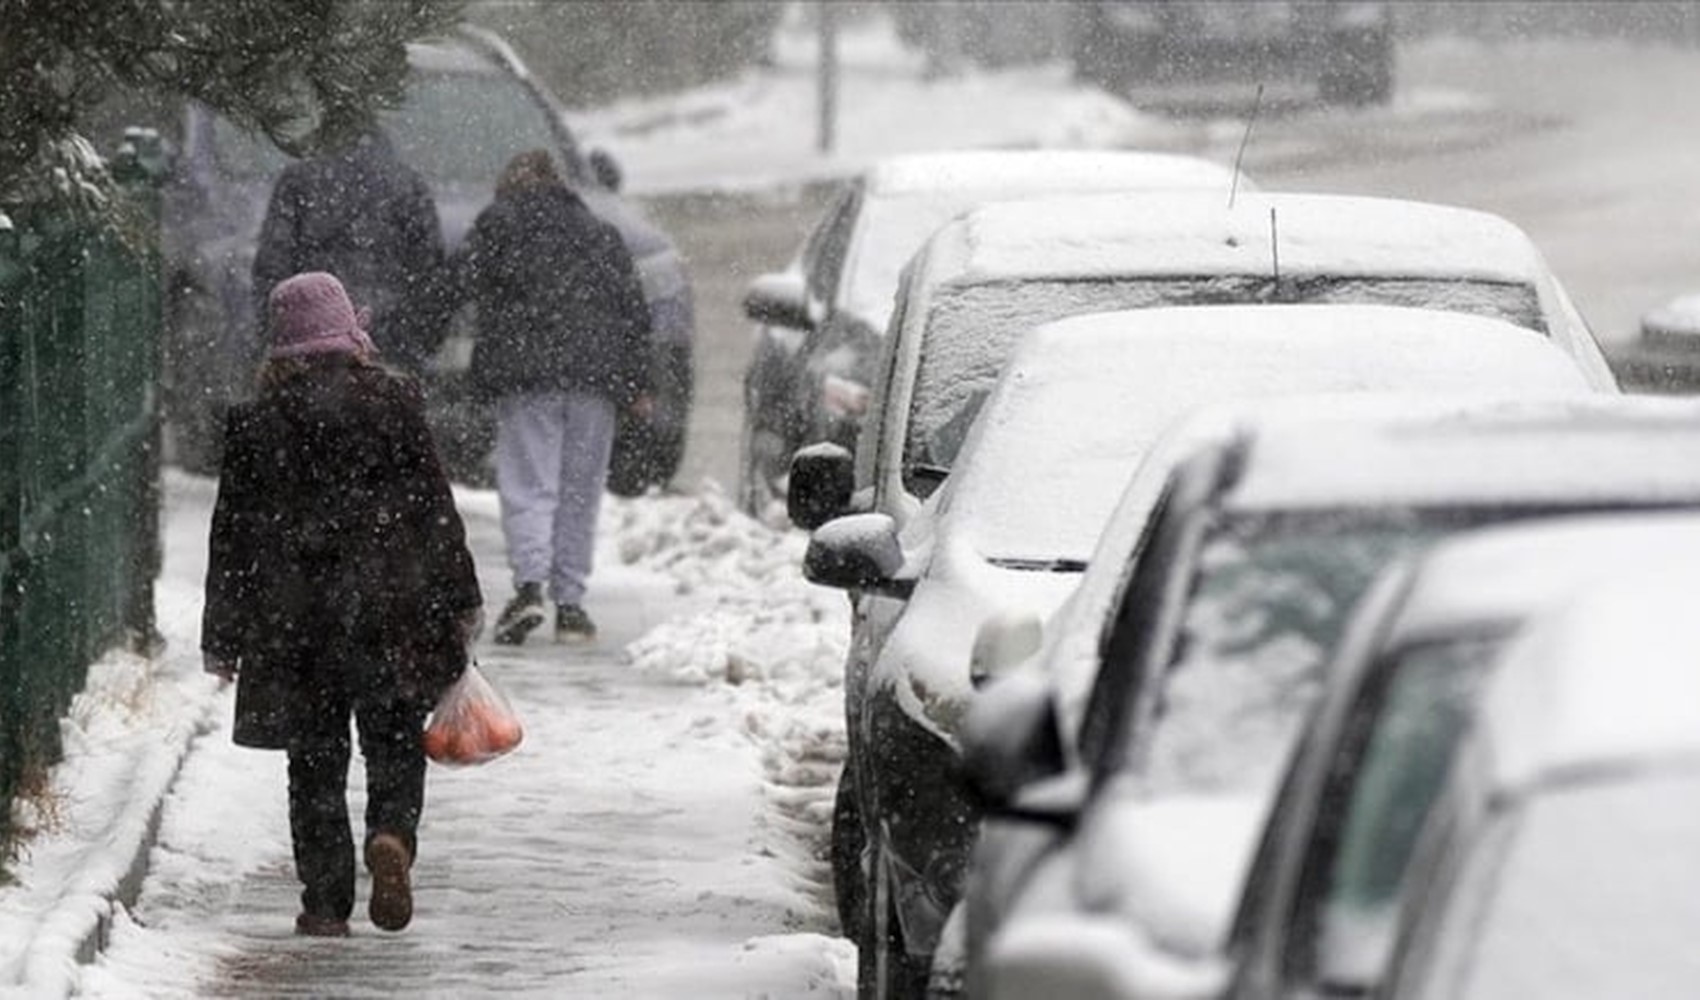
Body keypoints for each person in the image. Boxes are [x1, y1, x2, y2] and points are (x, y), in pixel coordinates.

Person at [201, 272, 483, 937]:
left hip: (297, 619)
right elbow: (434, 511)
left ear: (281, 343)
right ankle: (390, 834)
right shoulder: (395, 403)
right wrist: (460, 596)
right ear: (348, 332)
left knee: (315, 759)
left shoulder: (256, 423)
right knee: (392, 739)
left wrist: (224, 632)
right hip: (392, 607)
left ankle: (325, 902)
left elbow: (232, 535)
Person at [454, 149, 654, 646]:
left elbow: (453, 284)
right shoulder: (600, 232)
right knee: (580, 491)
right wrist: (639, 381)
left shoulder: (499, 223)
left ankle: (527, 588)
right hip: (595, 378)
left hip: (527, 376)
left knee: (529, 484)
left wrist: (410, 339)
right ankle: (571, 606)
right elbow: (633, 311)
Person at [252, 119, 449, 374]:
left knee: (315, 409)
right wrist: (420, 339)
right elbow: (430, 270)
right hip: (391, 339)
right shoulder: (408, 183)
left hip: (313, 341)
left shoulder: (298, 180)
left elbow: (273, 263)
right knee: (384, 407)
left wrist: (276, 335)